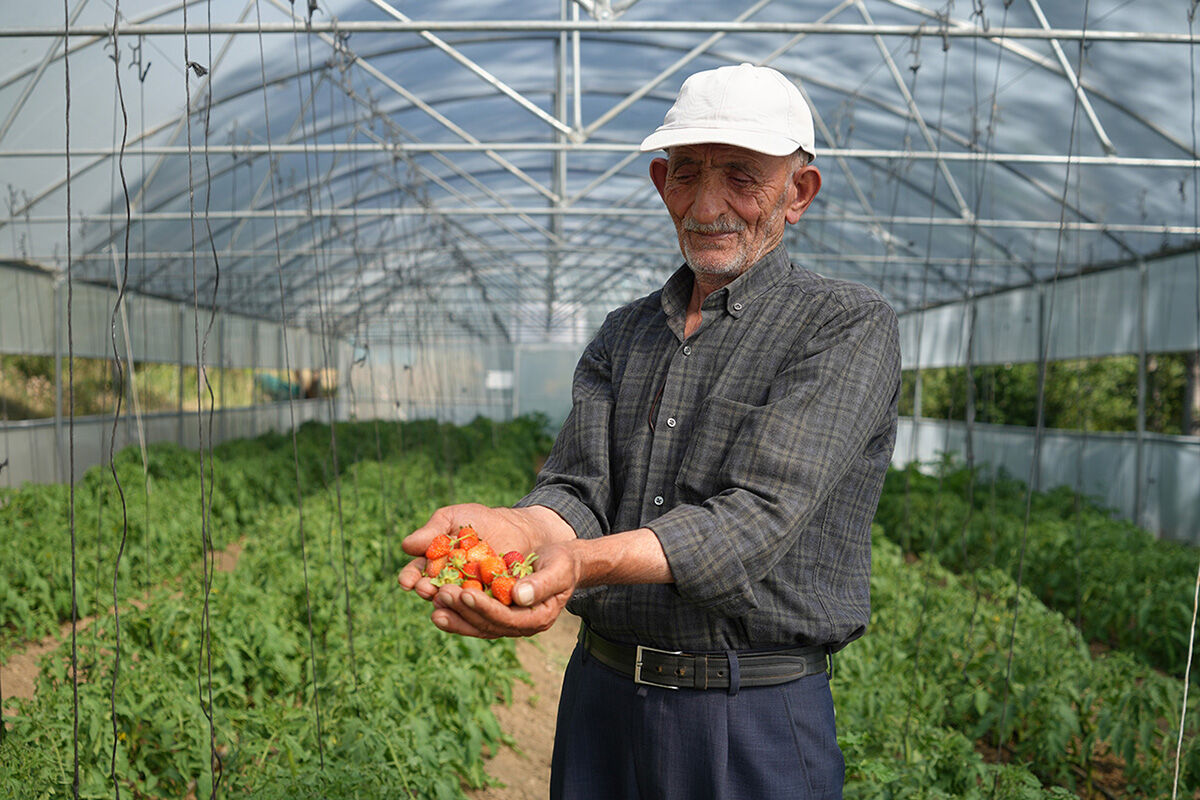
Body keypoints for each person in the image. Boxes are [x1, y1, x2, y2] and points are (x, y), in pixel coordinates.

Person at [398, 62, 901, 800]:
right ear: (662, 180)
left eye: (741, 176)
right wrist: (519, 528)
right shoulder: (625, 332)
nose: (707, 204)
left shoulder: (844, 326)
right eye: (688, 174)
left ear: (798, 193)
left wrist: (578, 565)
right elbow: (577, 488)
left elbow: (756, 518)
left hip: (749, 714)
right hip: (602, 697)